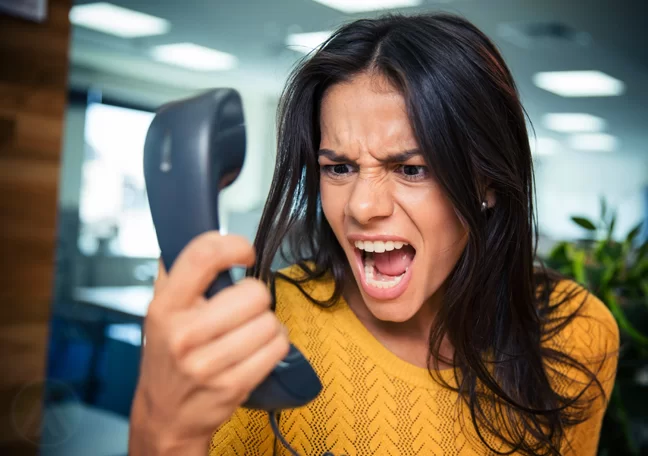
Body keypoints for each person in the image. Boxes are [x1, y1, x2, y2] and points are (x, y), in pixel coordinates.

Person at [128, 12, 620, 456]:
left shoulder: (577, 334)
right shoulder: (259, 337)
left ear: (487, 181)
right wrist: (162, 434)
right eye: (339, 167)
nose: (361, 207)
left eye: (411, 169)